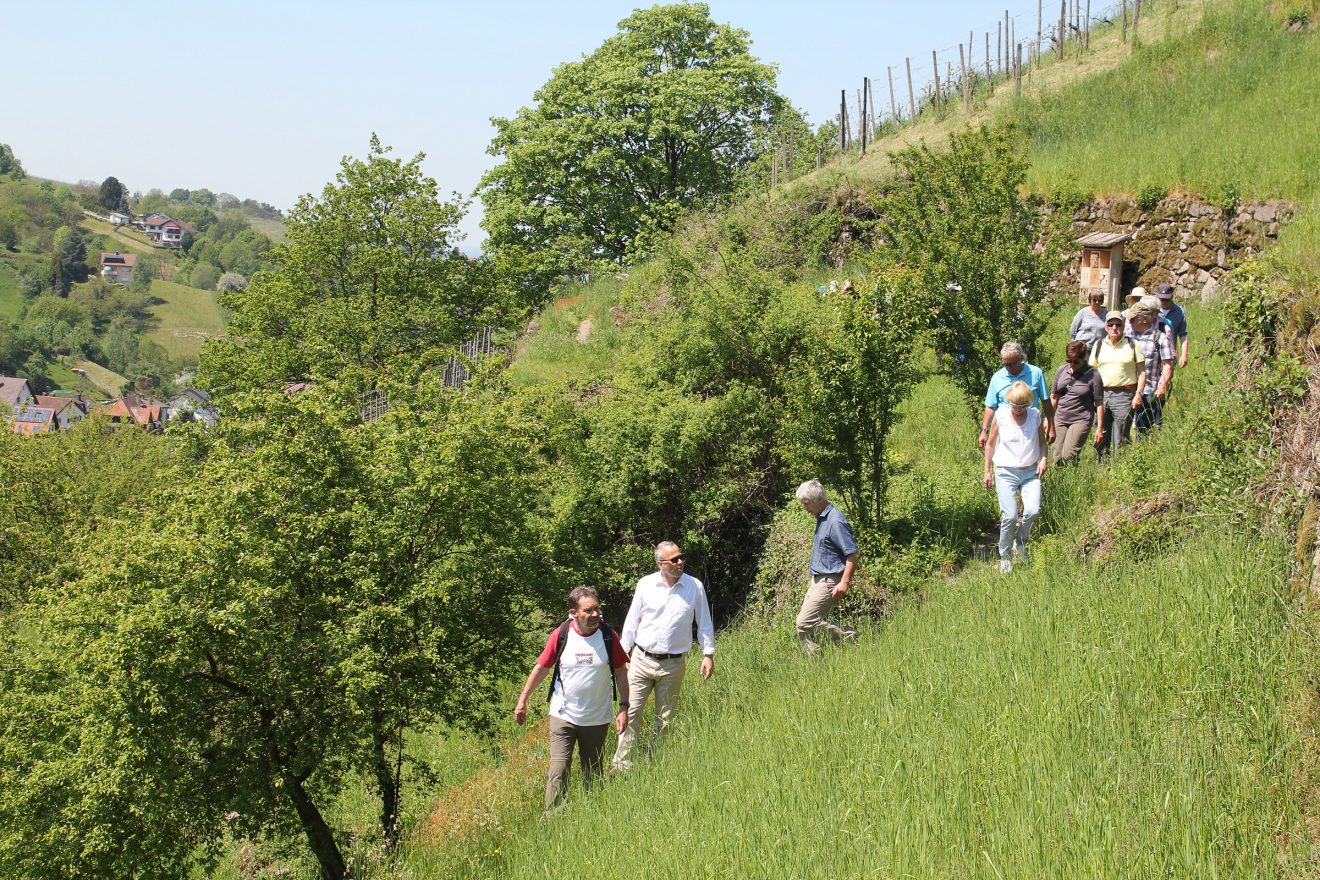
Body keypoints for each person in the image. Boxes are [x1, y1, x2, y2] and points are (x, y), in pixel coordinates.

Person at [514, 587, 630, 812]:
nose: (595, 614)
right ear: (573, 613)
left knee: (593, 771)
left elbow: (620, 671)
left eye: (597, 609)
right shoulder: (561, 634)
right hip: (563, 715)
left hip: (597, 717)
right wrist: (522, 700)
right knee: (558, 770)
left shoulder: (608, 635)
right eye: (589, 610)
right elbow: (542, 668)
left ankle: (593, 816)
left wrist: (623, 707)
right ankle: (553, 820)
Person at [611, 542, 715, 772]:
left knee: (665, 719)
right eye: (674, 560)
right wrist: (621, 656)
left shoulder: (694, 586)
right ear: (660, 564)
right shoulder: (645, 585)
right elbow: (631, 622)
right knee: (631, 713)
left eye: (681, 558)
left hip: (673, 664)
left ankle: (654, 765)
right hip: (641, 660)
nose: (680, 563)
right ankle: (621, 767)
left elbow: (704, 622)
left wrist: (708, 654)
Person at [983, 381, 1048, 574]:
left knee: (1033, 510)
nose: (1018, 409)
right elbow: (990, 444)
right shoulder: (1001, 415)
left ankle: (1019, 543)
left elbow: (1043, 443)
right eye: (1014, 405)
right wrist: (987, 471)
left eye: (1023, 405)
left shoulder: (1035, 415)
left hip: (1030, 471)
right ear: (1008, 402)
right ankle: (1005, 557)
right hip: (1005, 471)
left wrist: (1044, 459)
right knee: (1010, 516)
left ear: (1029, 403)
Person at [794, 479, 860, 656]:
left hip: (829, 581)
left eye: (806, 503)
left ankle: (851, 637)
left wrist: (844, 583)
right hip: (817, 580)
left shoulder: (835, 521)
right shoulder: (822, 518)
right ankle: (816, 661)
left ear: (819, 500)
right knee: (804, 625)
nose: (805, 508)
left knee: (804, 622)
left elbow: (853, 554)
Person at [978, 342, 1054, 450]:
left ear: (1021, 359)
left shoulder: (1036, 373)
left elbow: (1046, 401)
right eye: (1005, 364)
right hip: (1004, 430)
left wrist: (1051, 426)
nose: (1008, 367)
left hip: (1030, 429)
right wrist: (984, 431)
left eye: (1012, 364)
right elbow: (990, 407)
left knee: (1030, 461)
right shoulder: (997, 377)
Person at [1089, 313, 1144, 458]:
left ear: (1123, 326)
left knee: (1122, 437)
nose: (1114, 328)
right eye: (1110, 324)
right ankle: (1102, 471)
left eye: (1118, 324)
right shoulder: (1099, 345)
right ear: (1105, 327)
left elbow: (1142, 372)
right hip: (1101, 396)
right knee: (1101, 433)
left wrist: (1138, 394)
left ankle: (1121, 471)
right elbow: (1091, 372)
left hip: (1125, 395)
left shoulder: (1133, 344)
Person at [1050, 340, 1104, 464]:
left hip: (1081, 419)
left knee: (1068, 455)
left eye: (1076, 362)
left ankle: (1072, 475)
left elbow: (1099, 403)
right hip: (1060, 418)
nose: (1072, 364)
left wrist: (1099, 428)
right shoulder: (1061, 370)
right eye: (1069, 361)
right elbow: (1054, 397)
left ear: (1083, 358)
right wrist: (1049, 419)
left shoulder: (1093, 375)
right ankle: (1061, 482)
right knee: (1057, 457)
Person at [1127, 300, 1175, 436]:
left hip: (1149, 391)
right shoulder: (1128, 337)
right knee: (1125, 429)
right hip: (1128, 389)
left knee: (1146, 430)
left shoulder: (1160, 338)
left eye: (1132, 319)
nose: (1129, 322)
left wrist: (1162, 387)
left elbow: (1168, 365)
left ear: (1142, 319)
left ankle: (1143, 453)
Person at [1156, 283, 1190, 370]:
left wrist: (1184, 354)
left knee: (1166, 381)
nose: (1163, 302)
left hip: (1169, 354)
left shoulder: (1179, 312)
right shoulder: (1153, 309)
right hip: (1152, 353)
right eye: (1161, 299)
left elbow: (1183, 334)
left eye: (1166, 300)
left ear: (1172, 297)